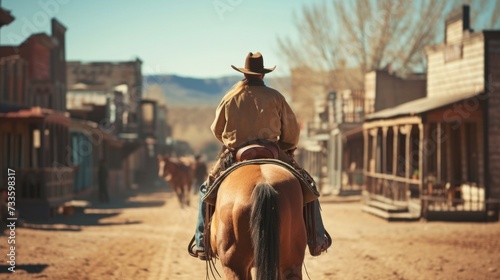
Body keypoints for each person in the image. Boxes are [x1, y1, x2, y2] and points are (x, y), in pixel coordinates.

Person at [192, 52, 331, 260]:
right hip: (272, 151)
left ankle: (201, 241)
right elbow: (292, 133)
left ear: (245, 74)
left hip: (237, 153)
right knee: (307, 184)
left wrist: (232, 141)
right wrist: (284, 146)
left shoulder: (231, 96)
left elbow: (217, 130)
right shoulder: (276, 97)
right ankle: (317, 238)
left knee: (207, 188)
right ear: (262, 75)